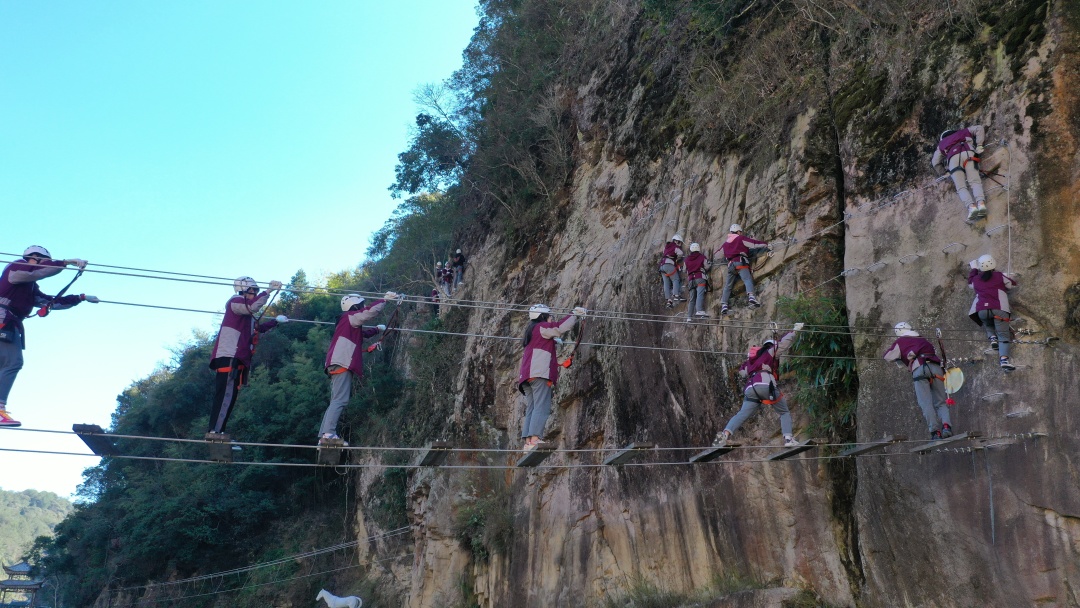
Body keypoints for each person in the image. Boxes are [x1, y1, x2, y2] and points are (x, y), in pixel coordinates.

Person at [0, 246, 96, 427]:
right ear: (33, 258)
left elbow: (52, 303)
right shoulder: (16, 267)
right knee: (12, 363)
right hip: (4, 321)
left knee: (4, 365)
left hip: (8, 323)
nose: (44, 264)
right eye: (43, 260)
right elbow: (41, 271)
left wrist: (80, 298)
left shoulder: (29, 288)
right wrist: (67, 262)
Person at [207, 276, 286, 436]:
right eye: (251, 291)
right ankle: (215, 431)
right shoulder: (235, 302)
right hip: (230, 355)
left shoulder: (246, 316)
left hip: (236, 357)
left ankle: (218, 430)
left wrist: (275, 322)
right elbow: (253, 306)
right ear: (241, 290)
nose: (253, 294)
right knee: (226, 394)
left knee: (229, 396)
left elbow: (257, 329)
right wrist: (268, 291)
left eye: (255, 291)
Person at [319, 292, 398, 445]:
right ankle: (328, 434)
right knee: (340, 400)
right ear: (354, 306)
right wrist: (384, 300)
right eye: (360, 304)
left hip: (337, 362)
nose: (362, 306)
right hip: (341, 362)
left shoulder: (346, 324)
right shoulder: (349, 316)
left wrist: (376, 330)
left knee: (336, 400)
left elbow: (360, 335)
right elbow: (368, 312)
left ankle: (324, 434)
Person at [714, 324, 802, 448]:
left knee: (742, 414)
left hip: (750, 389)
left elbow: (742, 372)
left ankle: (724, 436)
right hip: (765, 385)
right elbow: (783, 343)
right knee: (784, 412)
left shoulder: (749, 363)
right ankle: (788, 439)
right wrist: (795, 331)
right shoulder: (769, 352)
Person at [518, 303, 586, 450]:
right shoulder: (542, 327)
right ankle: (535, 439)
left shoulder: (531, 331)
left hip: (526, 377)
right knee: (541, 406)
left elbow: (543, 342)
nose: (551, 319)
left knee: (532, 407)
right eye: (550, 316)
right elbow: (560, 327)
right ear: (543, 316)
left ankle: (528, 442)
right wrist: (574, 314)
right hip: (539, 374)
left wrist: (554, 342)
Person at [882, 322, 953, 439]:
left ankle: (936, 432)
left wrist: (901, 357)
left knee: (926, 403)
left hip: (919, 368)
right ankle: (946, 427)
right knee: (940, 401)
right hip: (936, 368)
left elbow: (887, 356)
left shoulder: (901, 341)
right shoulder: (922, 339)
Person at [966, 254, 1017, 371]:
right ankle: (1004, 360)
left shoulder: (976, 279)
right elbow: (1011, 285)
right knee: (1003, 335)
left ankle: (992, 338)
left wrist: (973, 269)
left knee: (988, 323)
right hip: (999, 308)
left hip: (981, 310)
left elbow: (970, 284)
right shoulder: (999, 276)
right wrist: (1008, 277)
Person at [931, 125, 987, 221]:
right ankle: (981, 205)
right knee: (975, 181)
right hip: (968, 153)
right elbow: (979, 128)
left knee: (961, 187)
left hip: (953, 159)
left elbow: (935, 162)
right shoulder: (963, 131)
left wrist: (945, 172)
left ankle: (971, 207)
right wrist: (979, 145)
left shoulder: (941, 144)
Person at [715, 224, 770, 315]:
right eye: (740, 232)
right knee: (747, 279)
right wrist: (766, 244)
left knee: (728, 286)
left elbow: (717, 254)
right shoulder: (740, 238)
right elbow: (753, 244)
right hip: (740, 262)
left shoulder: (725, 244)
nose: (741, 233)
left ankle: (724, 305)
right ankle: (751, 297)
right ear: (738, 231)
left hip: (730, 265)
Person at [684, 242, 711, 320]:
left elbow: (684, 270)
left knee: (692, 298)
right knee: (700, 294)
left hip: (691, 280)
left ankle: (689, 317)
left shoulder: (686, 259)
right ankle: (699, 310)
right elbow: (707, 267)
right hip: (700, 277)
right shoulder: (702, 257)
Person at [658, 233, 684, 309]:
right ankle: (676, 295)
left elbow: (664, 253)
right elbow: (680, 253)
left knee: (666, 283)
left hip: (662, 266)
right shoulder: (675, 246)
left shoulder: (666, 247)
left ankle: (669, 300)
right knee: (675, 279)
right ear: (676, 241)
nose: (680, 244)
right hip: (668, 264)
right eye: (679, 242)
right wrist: (677, 259)